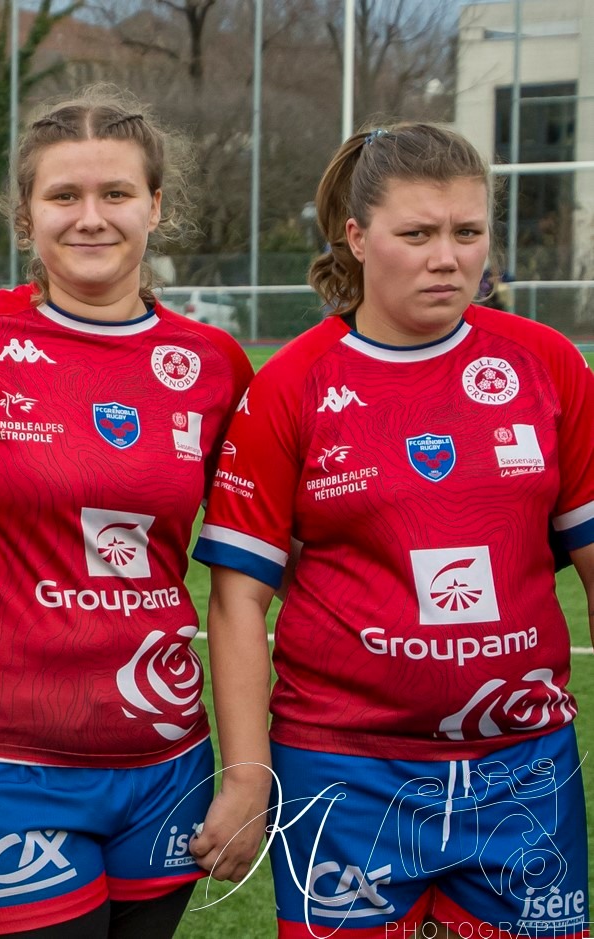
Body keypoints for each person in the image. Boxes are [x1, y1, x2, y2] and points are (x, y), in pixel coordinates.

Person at [192, 122, 594, 938]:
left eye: (468, 232)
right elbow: (238, 600)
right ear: (358, 236)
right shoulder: (291, 386)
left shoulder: (546, 363)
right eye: (417, 233)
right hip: (345, 769)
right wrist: (246, 772)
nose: (447, 257)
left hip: (525, 764)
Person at [0, 86, 253, 939]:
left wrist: (244, 767)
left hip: (161, 756)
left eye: (116, 194)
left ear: (155, 206)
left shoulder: (215, 365)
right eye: (63, 196)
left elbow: (248, 571)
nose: (90, 218)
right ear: (26, 215)